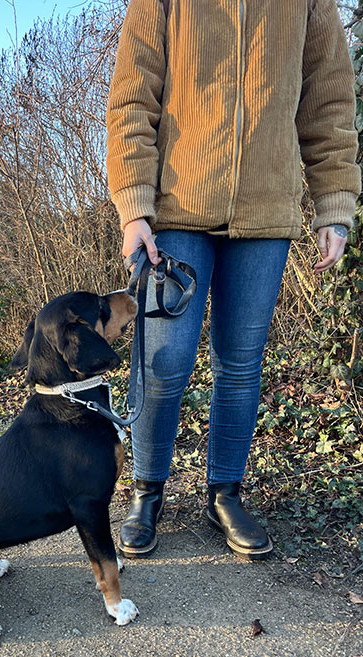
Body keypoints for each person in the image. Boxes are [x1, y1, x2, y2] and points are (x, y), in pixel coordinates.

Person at [106, 0, 360, 560]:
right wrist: (134, 207)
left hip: (266, 214)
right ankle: (147, 490)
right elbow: (132, 98)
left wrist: (334, 204)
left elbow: (329, 102)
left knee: (241, 363)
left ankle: (225, 493)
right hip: (176, 209)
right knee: (164, 360)